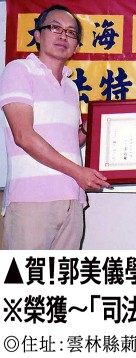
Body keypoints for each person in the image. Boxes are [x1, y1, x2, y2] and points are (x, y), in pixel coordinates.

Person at [0, 4, 110, 250]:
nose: (63, 36)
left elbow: (71, 142)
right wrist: (78, 172)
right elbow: (23, 136)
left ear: (77, 45)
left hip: (72, 198)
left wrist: (88, 128)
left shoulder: (71, 87)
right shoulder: (18, 70)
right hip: (31, 201)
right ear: (38, 35)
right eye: (55, 28)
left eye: (71, 32)